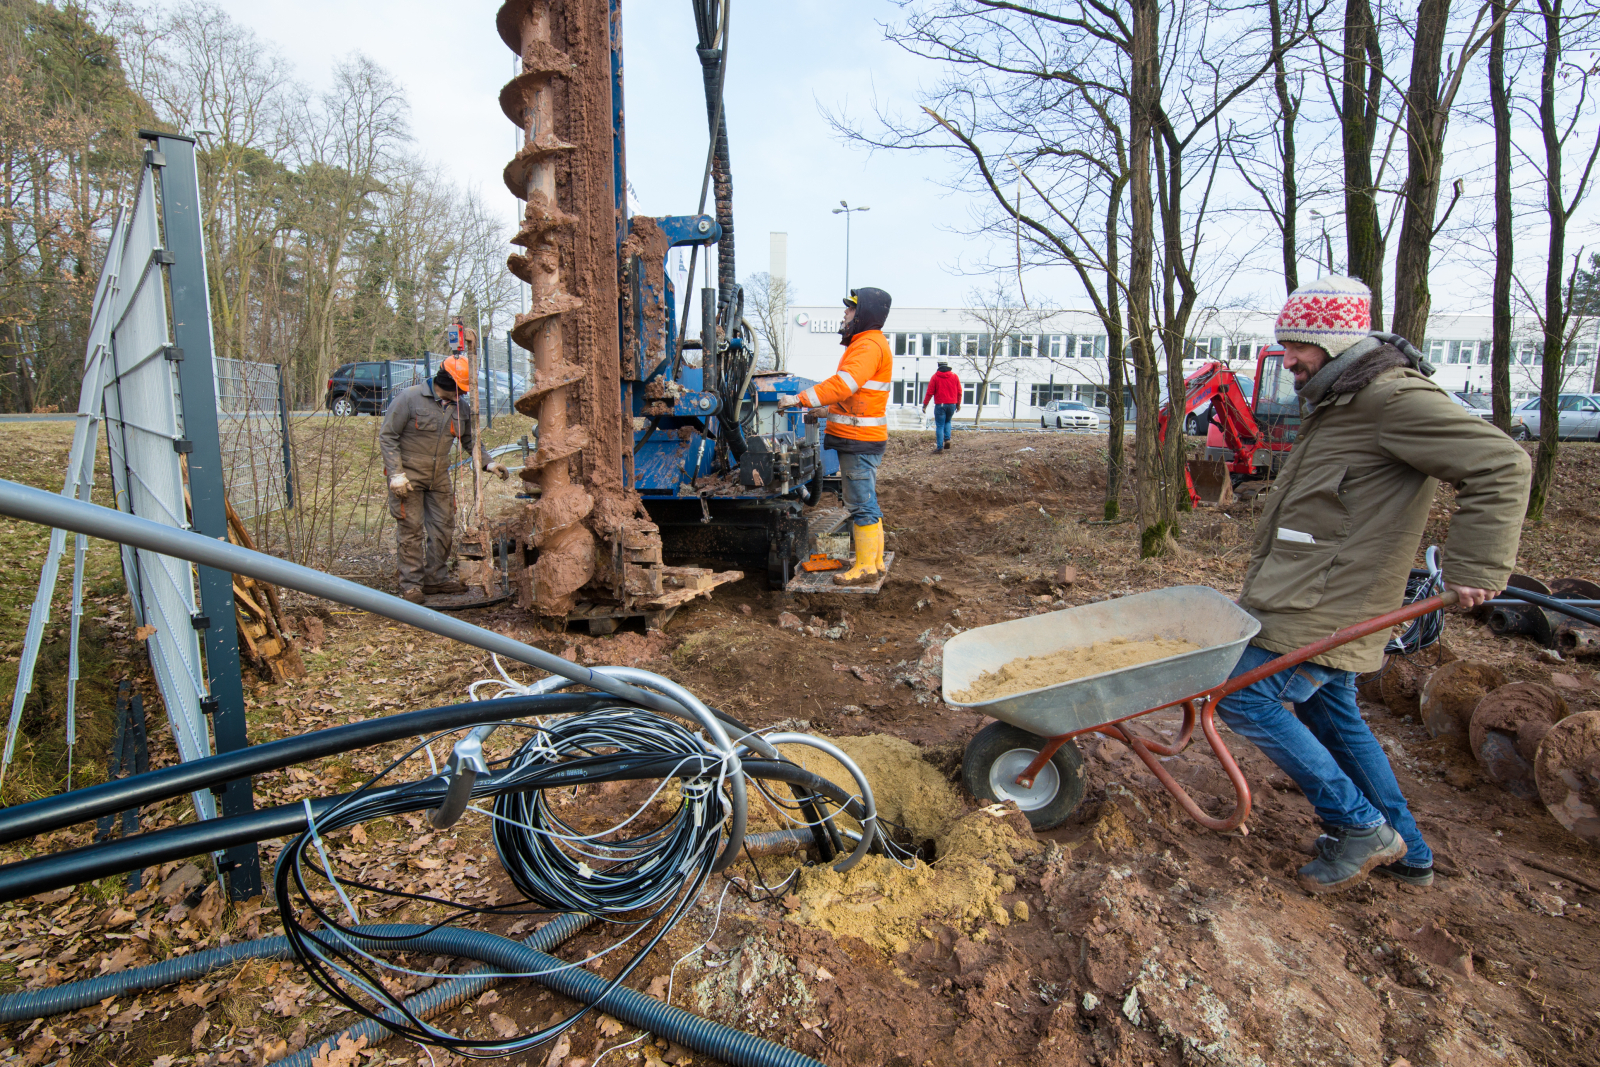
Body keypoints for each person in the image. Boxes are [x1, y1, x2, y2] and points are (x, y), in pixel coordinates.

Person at [1217, 276, 1531, 894]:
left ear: (1334, 343)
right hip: (1305, 593)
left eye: (1299, 344)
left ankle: (1357, 826)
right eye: (1284, 343)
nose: (1289, 358)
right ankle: (1409, 851)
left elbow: (1501, 463)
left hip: (1330, 604)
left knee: (1239, 695)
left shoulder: (1391, 399)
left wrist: (1474, 570)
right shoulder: (1343, 400)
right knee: (1336, 723)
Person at [778, 287, 893, 585]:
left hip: (859, 440)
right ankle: (874, 561)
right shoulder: (868, 344)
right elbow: (858, 400)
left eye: (851, 308)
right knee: (867, 501)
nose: (845, 313)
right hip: (863, 436)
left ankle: (866, 568)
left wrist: (801, 399)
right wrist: (825, 411)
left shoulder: (867, 345)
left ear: (864, 313)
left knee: (860, 504)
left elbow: (844, 385)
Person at [379, 355, 509, 603]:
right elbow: (388, 437)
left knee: (443, 528)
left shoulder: (461, 407)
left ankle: (435, 580)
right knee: (411, 530)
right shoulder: (409, 399)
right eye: (459, 389)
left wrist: (488, 462)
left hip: (438, 477)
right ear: (447, 382)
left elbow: (470, 440)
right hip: (407, 477)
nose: (461, 394)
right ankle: (411, 585)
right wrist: (395, 473)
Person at [922, 361, 962, 452]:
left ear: (938, 365)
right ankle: (947, 439)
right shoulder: (954, 376)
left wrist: (925, 405)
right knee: (948, 421)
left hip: (940, 404)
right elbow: (959, 391)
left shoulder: (935, 377)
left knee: (940, 425)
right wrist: (958, 404)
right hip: (952, 404)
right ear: (947, 364)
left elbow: (929, 392)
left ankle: (940, 447)